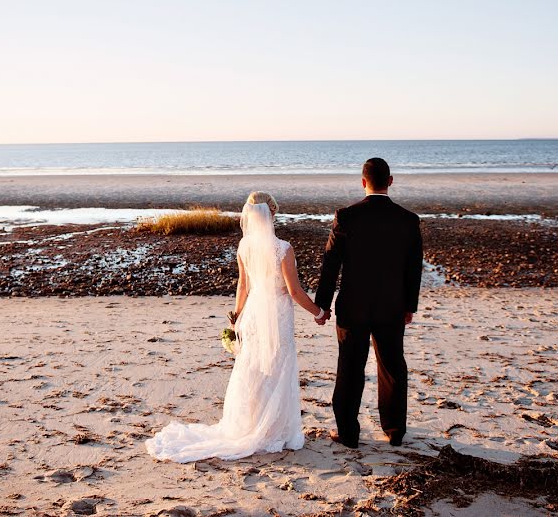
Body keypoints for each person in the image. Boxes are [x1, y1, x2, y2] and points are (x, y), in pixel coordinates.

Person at [145, 191, 325, 463]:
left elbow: (243, 286)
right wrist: (319, 312)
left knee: (254, 368)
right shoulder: (283, 249)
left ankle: (250, 424)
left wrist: (236, 316)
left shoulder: (245, 247)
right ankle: (276, 429)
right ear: (272, 214)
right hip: (276, 314)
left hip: (252, 312)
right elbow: (295, 291)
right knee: (278, 366)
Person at [314, 158, 423, 448]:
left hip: (353, 306)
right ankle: (395, 430)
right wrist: (410, 305)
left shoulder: (347, 216)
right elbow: (414, 268)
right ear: (390, 181)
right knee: (392, 367)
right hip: (392, 306)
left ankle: (348, 433)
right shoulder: (408, 220)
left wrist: (322, 305)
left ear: (363, 182)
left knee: (350, 368)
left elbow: (330, 264)